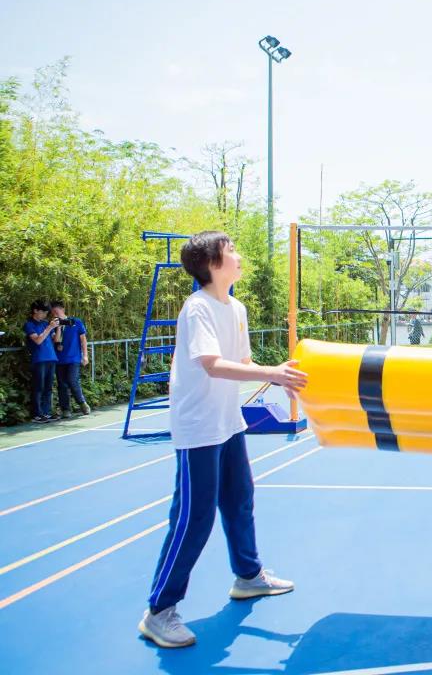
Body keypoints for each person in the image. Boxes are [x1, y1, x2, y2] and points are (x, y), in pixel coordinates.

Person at [139, 231, 308, 649]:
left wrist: (279, 376)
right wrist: (271, 373)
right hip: (199, 427)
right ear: (213, 264)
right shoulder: (197, 308)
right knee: (193, 518)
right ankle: (159, 611)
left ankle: (248, 576)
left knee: (239, 499)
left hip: (228, 422)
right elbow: (213, 365)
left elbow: (243, 362)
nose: (238, 255)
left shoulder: (236, 307)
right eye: (230, 250)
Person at [50, 301, 91, 418]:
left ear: (62, 309)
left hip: (74, 358)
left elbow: (83, 339)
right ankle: (65, 409)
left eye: (56, 311)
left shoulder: (76, 321)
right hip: (59, 359)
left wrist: (85, 355)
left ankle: (82, 403)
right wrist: (58, 327)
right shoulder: (52, 324)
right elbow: (56, 341)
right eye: (53, 312)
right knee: (62, 384)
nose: (55, 314)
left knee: (72, 380)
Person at [24, 300, 60, 423]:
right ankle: (37, 414)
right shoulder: (29, 325)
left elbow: (56, 340)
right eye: (43, 312)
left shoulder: (45, 324)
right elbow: (38, 340)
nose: (45, 315)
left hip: (51, 358)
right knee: (38, 387)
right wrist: (50, 327)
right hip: (39, 359)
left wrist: (58, 327)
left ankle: (46, 412)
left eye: (46, 312)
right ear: (35, 310)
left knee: (48, 388)